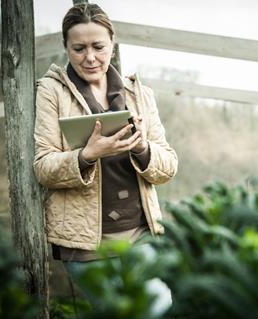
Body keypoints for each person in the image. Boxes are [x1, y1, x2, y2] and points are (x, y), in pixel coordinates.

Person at [33, 3, 177, 300]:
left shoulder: (140, 94)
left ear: (113, 41)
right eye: (78, 48)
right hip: (85, 246)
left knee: (158, 301)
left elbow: (168, 165)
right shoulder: (51, 91)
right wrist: (86, 155)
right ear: (66, 48)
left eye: (98, 46)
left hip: (140, 236)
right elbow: (44, 167)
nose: (89, 58)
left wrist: (141, 147)